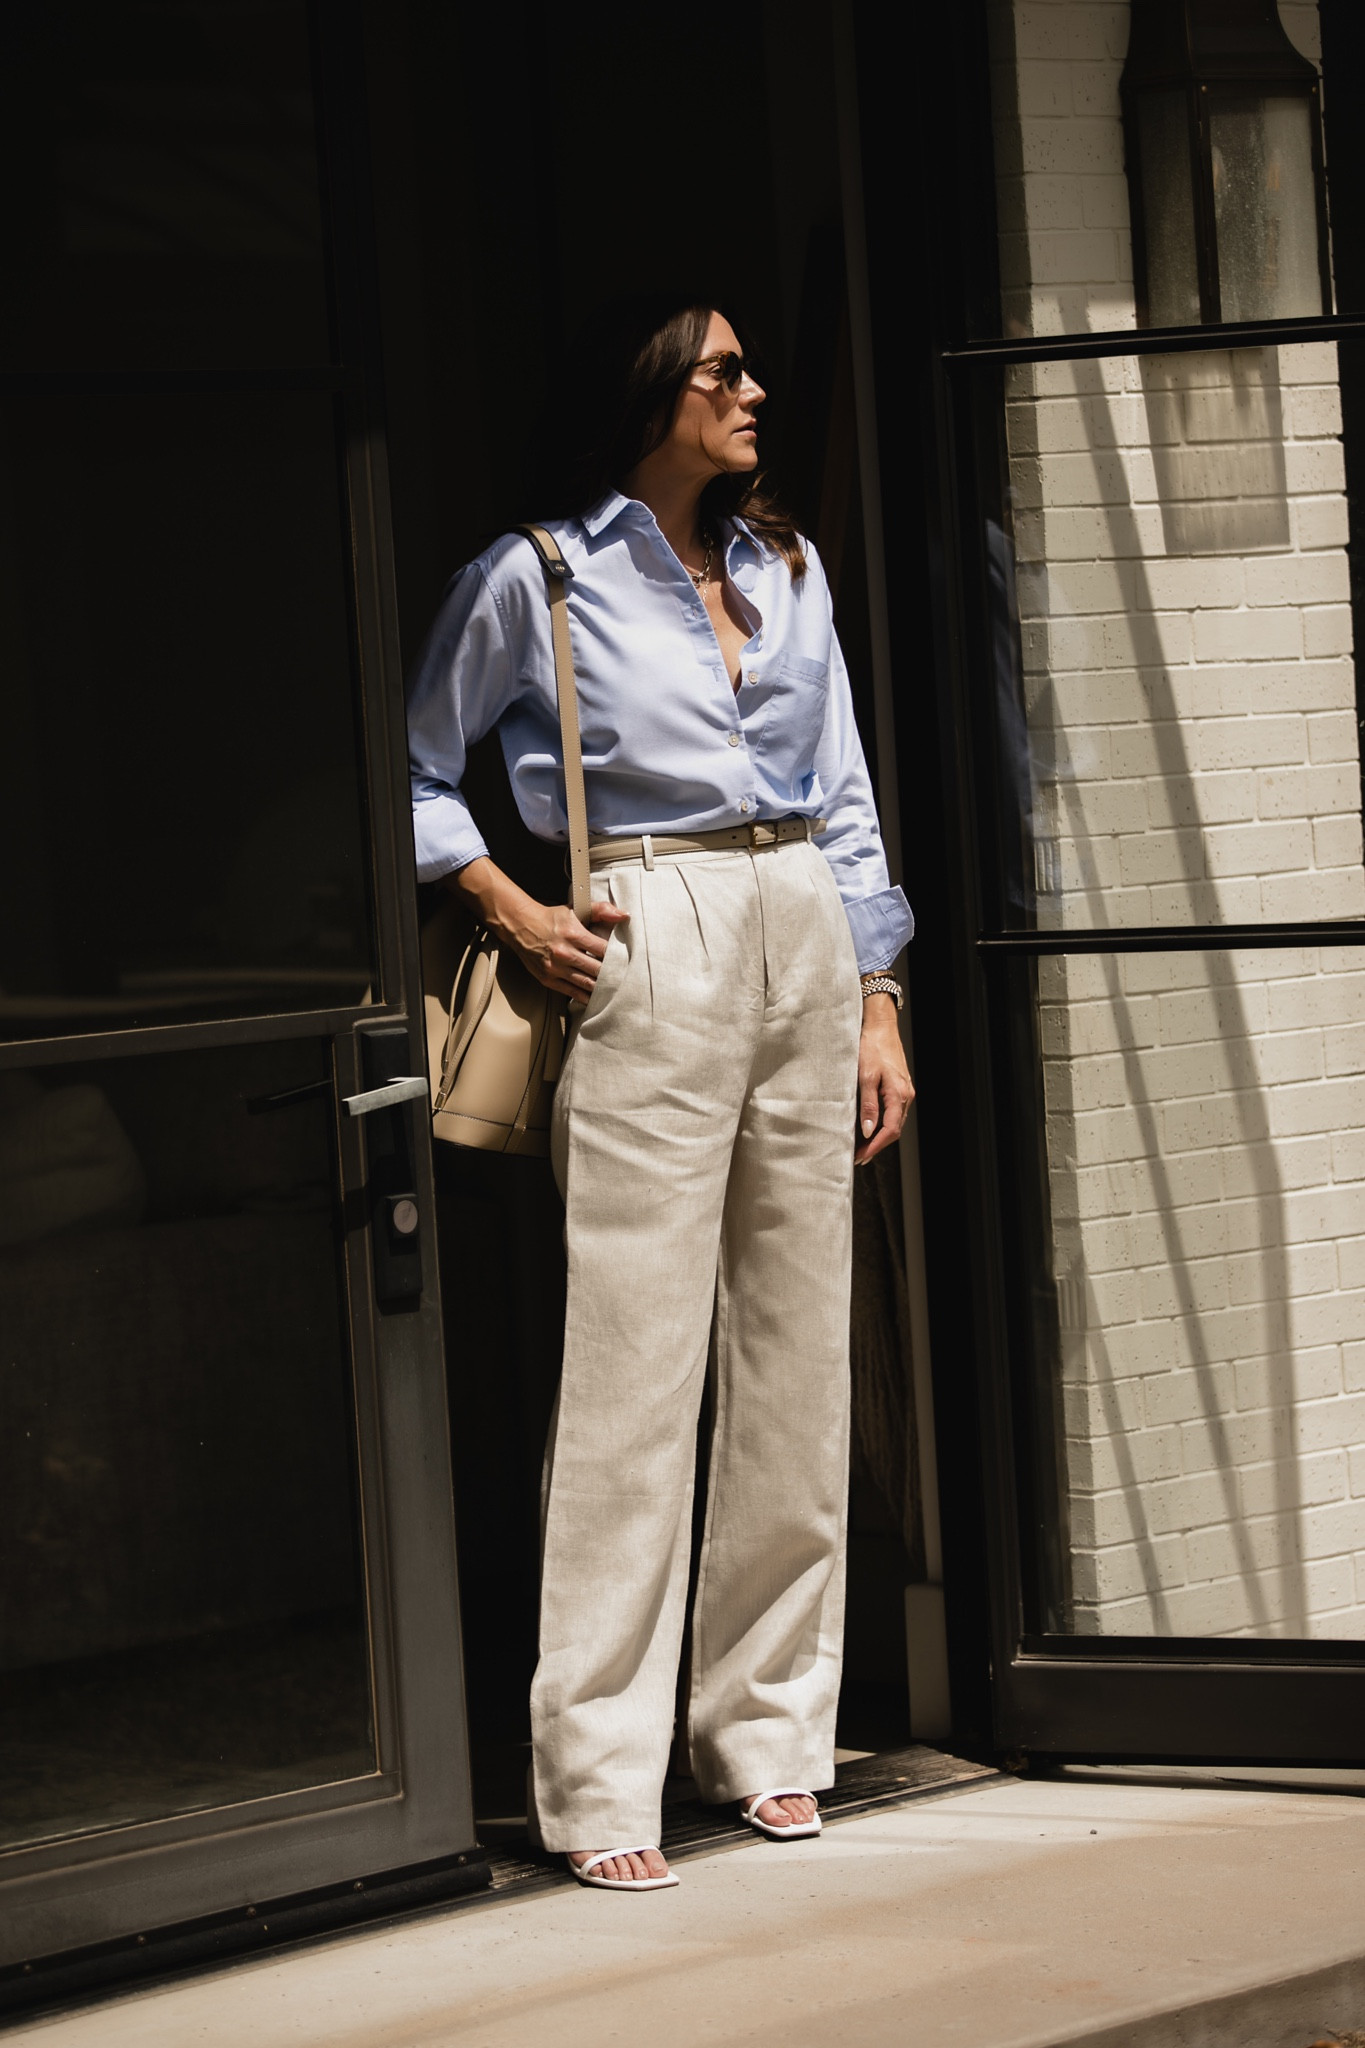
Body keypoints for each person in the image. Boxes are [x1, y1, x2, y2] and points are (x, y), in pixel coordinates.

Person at [407, 295, 914, 1892]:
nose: (753, 392)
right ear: (647, 398)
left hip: (801, 933)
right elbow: (415, 765)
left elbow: (842, 793)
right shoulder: (538, 575)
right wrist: (512, 902)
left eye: (747, 368)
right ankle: (598, 1774)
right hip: (649, 921)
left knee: (794, 1354)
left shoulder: (790, 568)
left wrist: (877, 995)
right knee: (632, 1368)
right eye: (721, 371)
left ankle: (769, 1734)